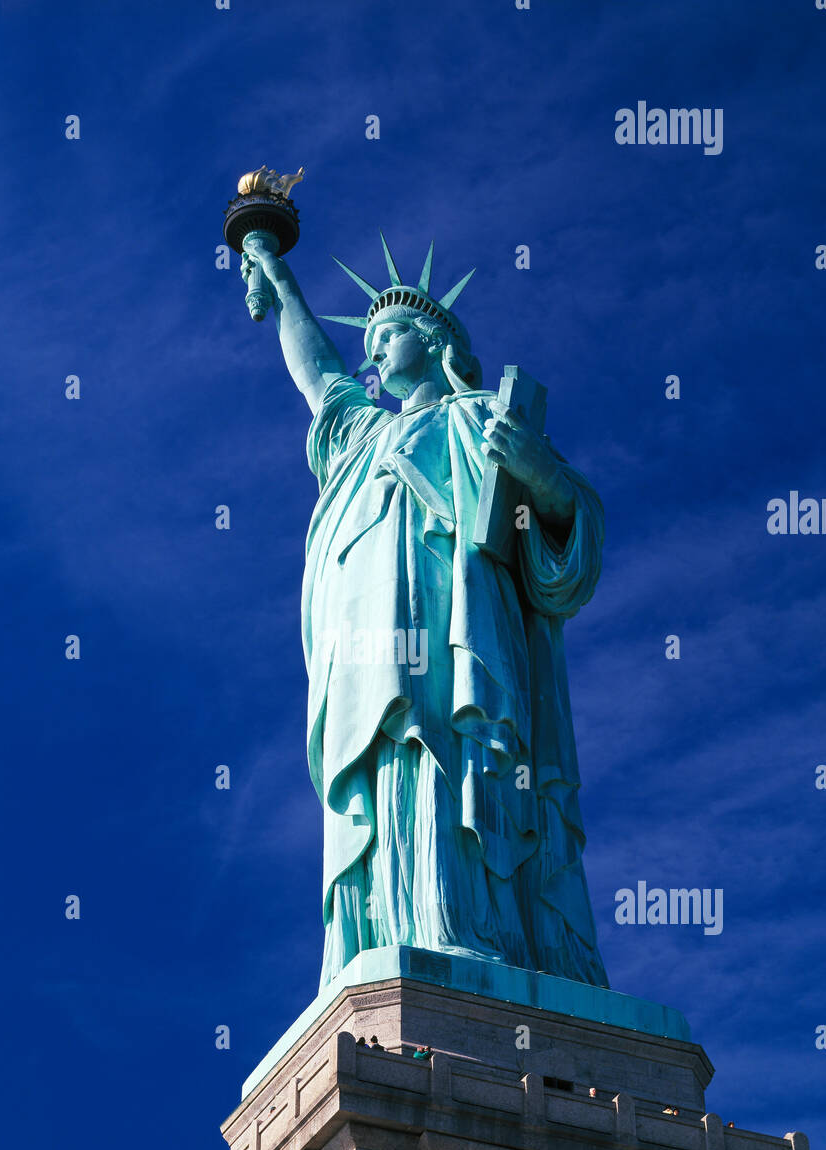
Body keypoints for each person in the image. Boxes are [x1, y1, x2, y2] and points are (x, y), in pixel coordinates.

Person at [242, 236, 609, 992]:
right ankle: (398, 930)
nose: (374, 352)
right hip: (372, 646)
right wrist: (278, 280)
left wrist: (540, 476)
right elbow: (319, 375)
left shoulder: (481, 419)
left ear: (436, 339)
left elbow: (567, 542)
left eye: (390, 334)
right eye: (370, 342)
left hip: (465, 637)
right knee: (392, 764)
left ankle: (474, 931)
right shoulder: (361, 436)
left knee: (455, 753)